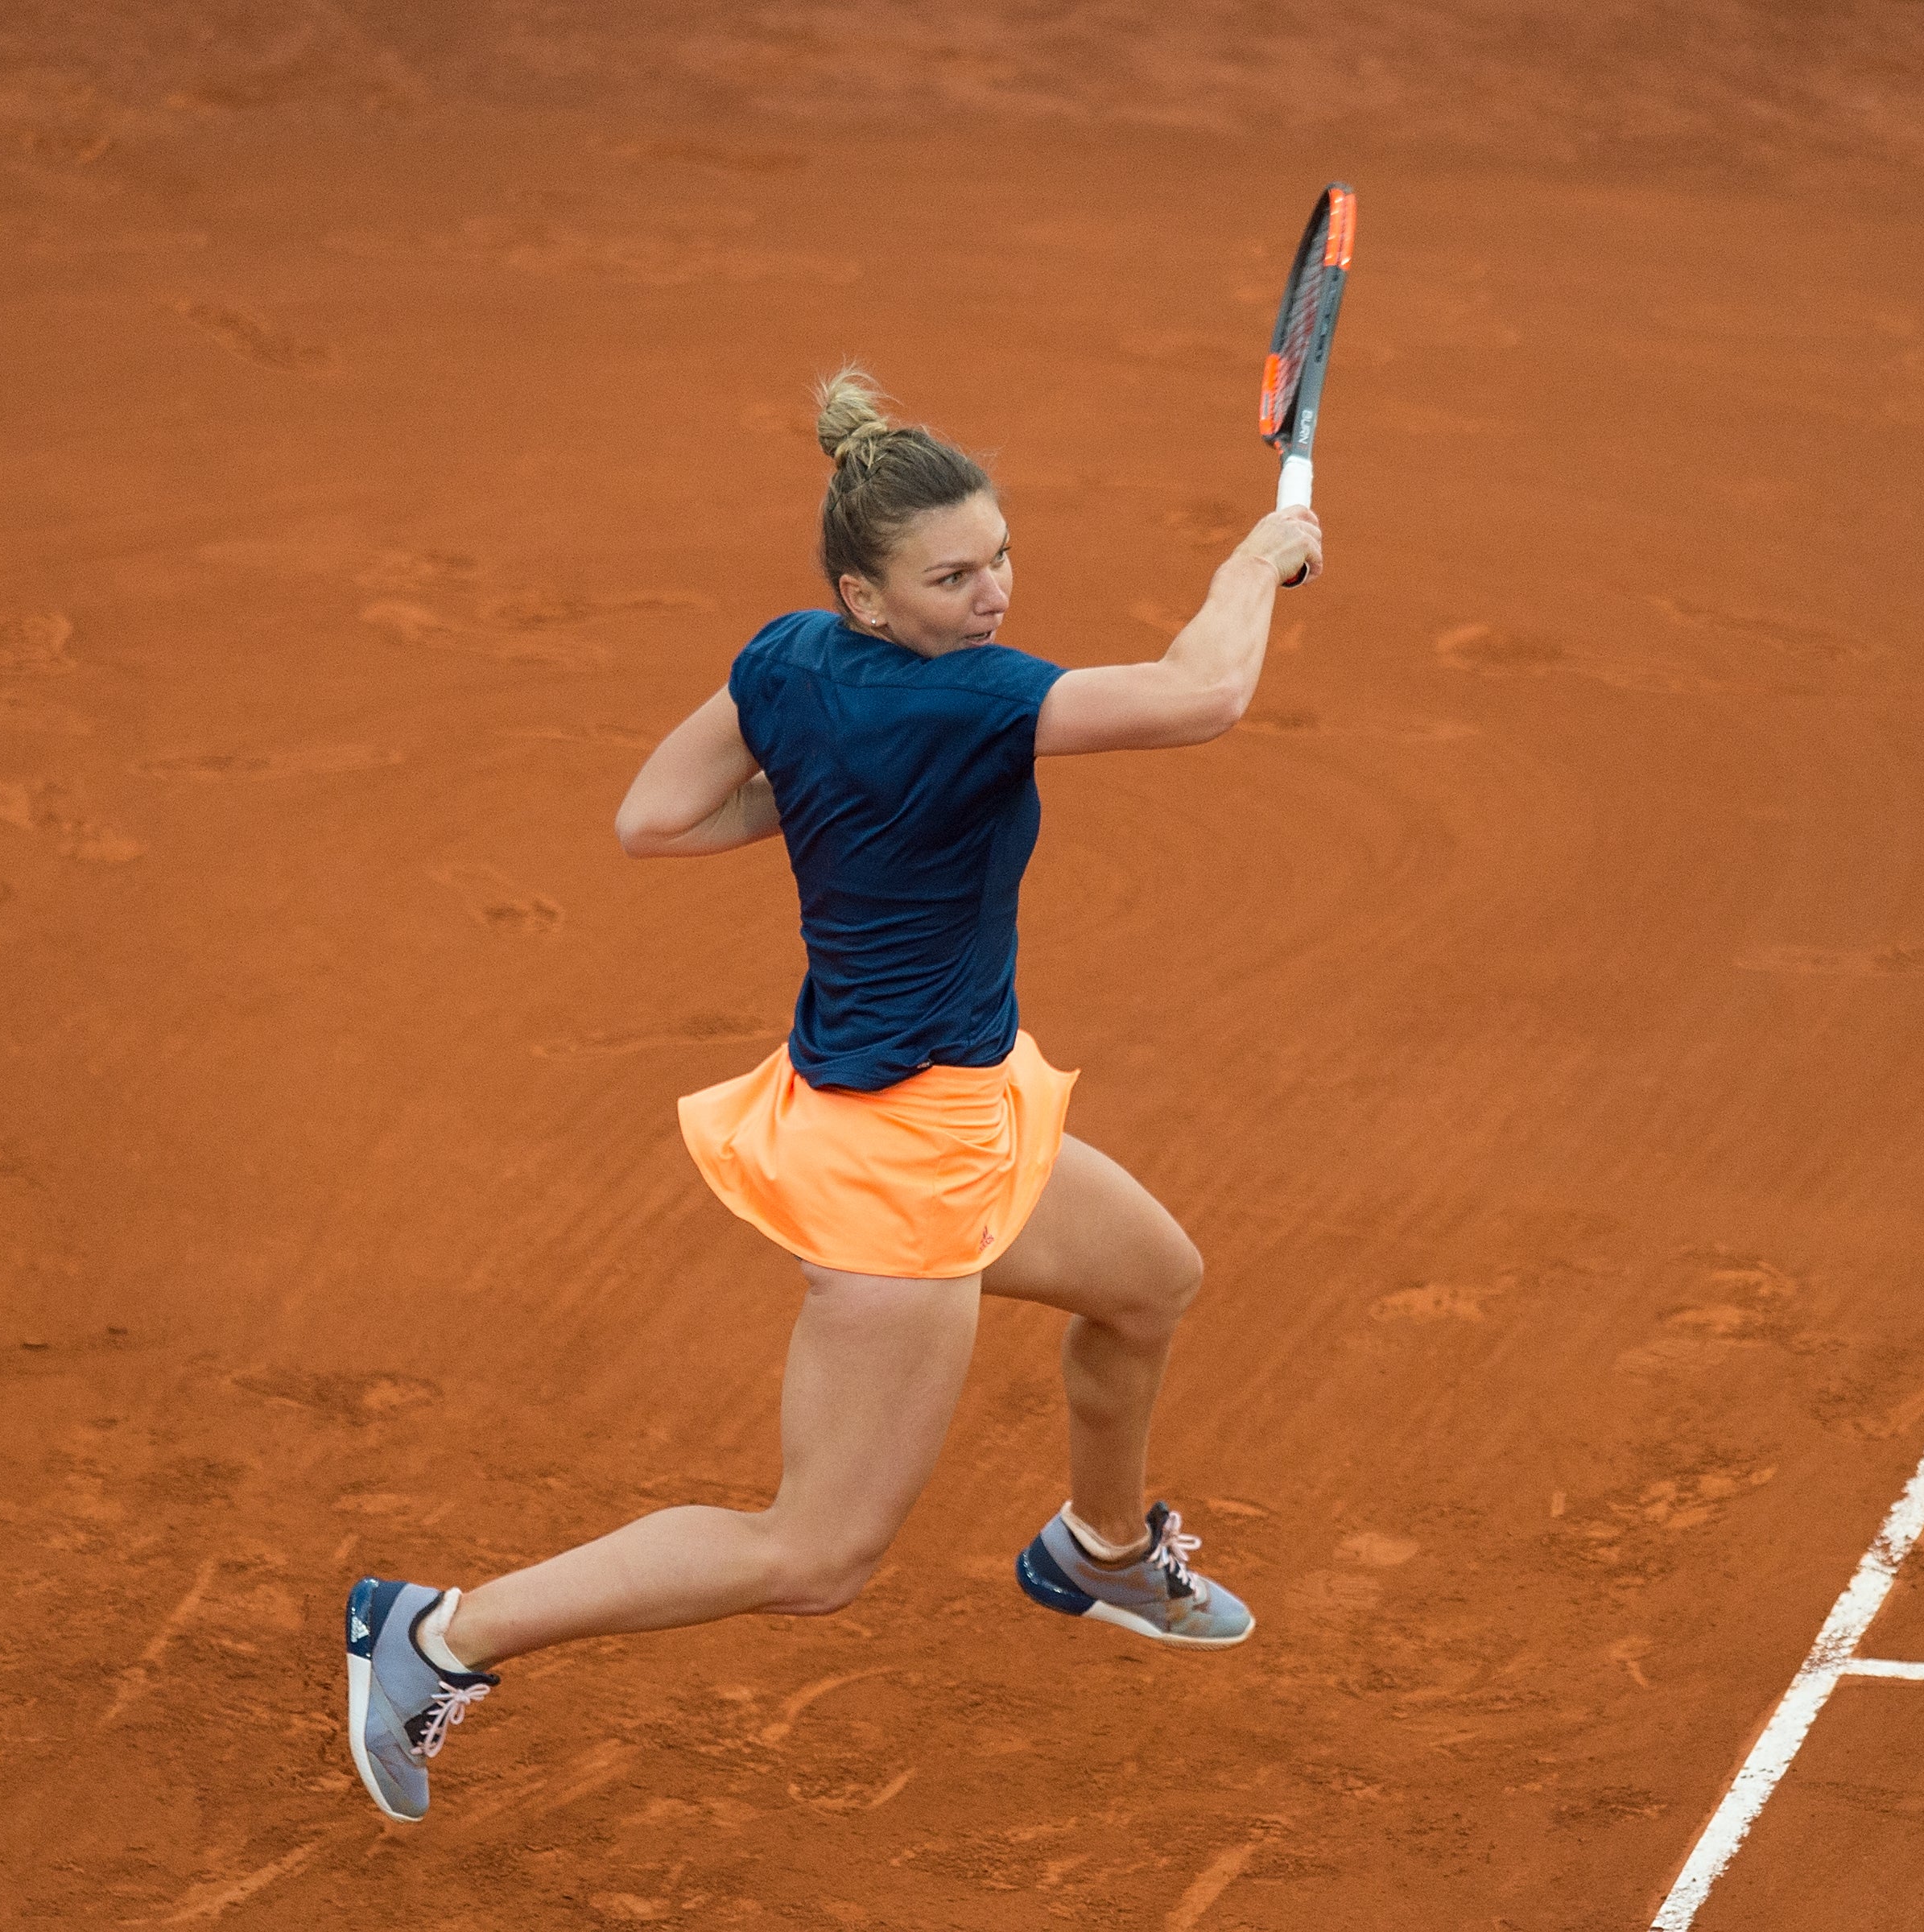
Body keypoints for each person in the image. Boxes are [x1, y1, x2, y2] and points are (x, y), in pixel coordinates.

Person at [344, 367, 1323, 1823]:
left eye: (998, 557)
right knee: (815, 1554)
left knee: (1147, 1283)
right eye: (950, 576)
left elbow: (655, 820)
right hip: (899, 1168)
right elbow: (1204, 694)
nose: (991, 595)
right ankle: (431, 1636)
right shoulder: (981, 704)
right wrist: (1259, 557)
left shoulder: (789, 659)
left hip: (958, 1106)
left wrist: (828, 793)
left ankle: (1100, 1552)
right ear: (869, 595)